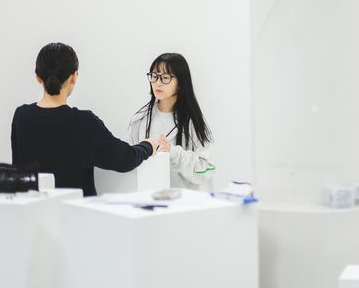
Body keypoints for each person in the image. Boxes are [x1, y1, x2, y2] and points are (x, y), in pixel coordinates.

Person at [11, 43, 158, 196]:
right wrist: (148, 146)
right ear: (74, 77)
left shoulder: (21, 116)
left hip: (33, 209)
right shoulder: (83, 122)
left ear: (37, 77)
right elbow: (125, 159)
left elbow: (18, 170)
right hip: (76, 209)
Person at [129, 53, 215, 190]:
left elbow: (207, 170)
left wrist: (173, 152)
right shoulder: (139, 120)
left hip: (184, 200)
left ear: (180, 83)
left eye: (165, 78)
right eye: (154, 76)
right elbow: (131, 164)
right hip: (149, 199)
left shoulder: (193, 121)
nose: (158, 83)